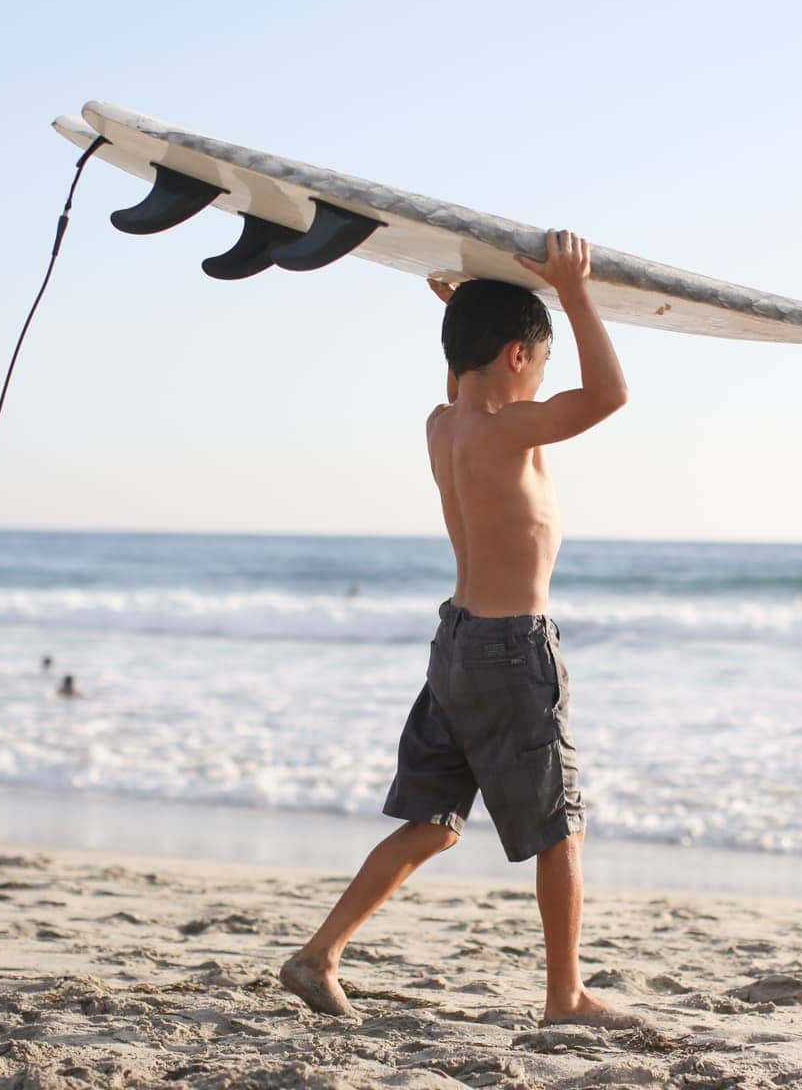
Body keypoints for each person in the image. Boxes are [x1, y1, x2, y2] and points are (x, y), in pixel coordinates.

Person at [280, 230, 636, 1027]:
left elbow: (470, 373)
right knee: (559, 831)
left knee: (433, 824)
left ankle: (319, 955)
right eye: (538, 364)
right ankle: (566, 997)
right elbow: (610, 396)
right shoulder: (512, 433)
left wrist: (468, 314)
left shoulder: (444, 425)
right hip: (514, 651)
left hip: (458, 643)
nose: (545, 381)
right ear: (517, 356)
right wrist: (574, 292)